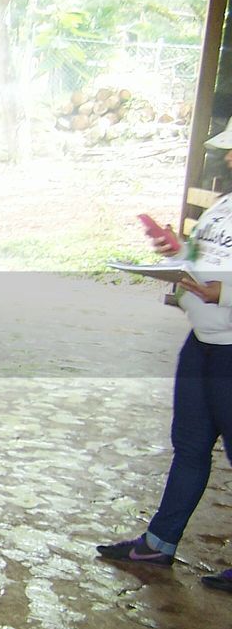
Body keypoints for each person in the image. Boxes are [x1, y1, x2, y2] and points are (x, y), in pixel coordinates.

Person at [97, 121, 232, 594]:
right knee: (189, 447)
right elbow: (208, 255)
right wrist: (180, 249)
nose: (230, 159)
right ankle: (159, 541)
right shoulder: (223, 207)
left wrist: (223, 292)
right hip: (202, 345)